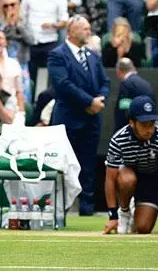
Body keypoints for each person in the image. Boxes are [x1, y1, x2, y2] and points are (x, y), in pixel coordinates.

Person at [47, 16, 110, 216]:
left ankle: (87, 207)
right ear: (71, 31)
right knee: (63, 164)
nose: (88, 31)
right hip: (68, 117)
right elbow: (63, 85)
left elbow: (105, 81)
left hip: (92, 119)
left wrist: (100, 100)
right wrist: (88, 102)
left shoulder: (92, 55)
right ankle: (61, 207)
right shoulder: (57, 55)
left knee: (88, 164)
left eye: (89, 28)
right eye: (84, 28)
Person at [103, 96, 158, 235]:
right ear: (132, 123)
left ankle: (136, 209)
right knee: (128, 179)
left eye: (152, 123)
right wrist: (112, 216)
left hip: (151, 179)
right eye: (144, 125)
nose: (149, 129)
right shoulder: (118, 140)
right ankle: (124, 212)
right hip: (127, 176)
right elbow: (110, 179)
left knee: (143, 228)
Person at [113, 58, 155, 132]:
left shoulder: (127, 84)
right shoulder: (145, 83)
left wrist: (119, 132)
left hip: (134, 130)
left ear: (119, 71)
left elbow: (124, 111)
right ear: (133, 68)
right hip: (148, 126)